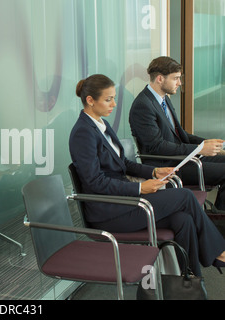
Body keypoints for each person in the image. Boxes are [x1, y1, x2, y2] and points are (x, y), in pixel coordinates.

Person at [69, 74, 225, 276]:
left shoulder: (101, 124)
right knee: (185, 196)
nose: (114, 104)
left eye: (114, 98)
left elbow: (123, 164)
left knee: (183, 221)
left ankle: (189, 280)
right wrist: (140, 187)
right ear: (90, 100)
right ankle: (219, 252)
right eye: (108, 99)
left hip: (124, 202)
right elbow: (94, 182)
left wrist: (153, 171)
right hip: (109, 212)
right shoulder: (83, 132)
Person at [129, 56, 225, 211]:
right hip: (168, 166)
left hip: (183, 158)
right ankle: (219, 221)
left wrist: (207, 143)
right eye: (176, 78)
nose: (180, 83)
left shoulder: (163, 99)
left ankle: (217, 216)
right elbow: (156, 146)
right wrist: (199, 149)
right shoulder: (143, 106)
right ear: (160, 79)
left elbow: (179, 134)